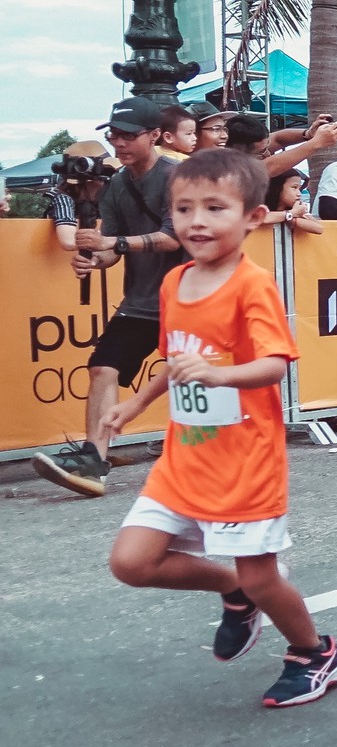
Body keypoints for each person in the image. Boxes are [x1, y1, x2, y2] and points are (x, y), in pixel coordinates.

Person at [100, 147, 337, 707]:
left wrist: (217, 373)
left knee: (264, 577)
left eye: (215, 208)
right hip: (184, 458)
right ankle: (231, 589)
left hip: (245, 460)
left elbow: (276, 363)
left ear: (253, 218)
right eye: (183, 209)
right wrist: (136, 404)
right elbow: (176, 359)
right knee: (132, 562)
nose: (197, 221)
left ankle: (315, 652)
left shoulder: (251, 284)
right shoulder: (173, 283)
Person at [32, 98, 184, 497]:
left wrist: (110, 242)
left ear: (154, 136)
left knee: (198, 378)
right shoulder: (117, 185)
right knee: (102, 367)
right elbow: (112, 250)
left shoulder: (177, 176)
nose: (119, 142)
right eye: (114, 134)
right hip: (142, 301)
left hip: (191, 298)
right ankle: (93, 461)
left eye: (128, 135)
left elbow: (175, 237)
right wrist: (94, 260)